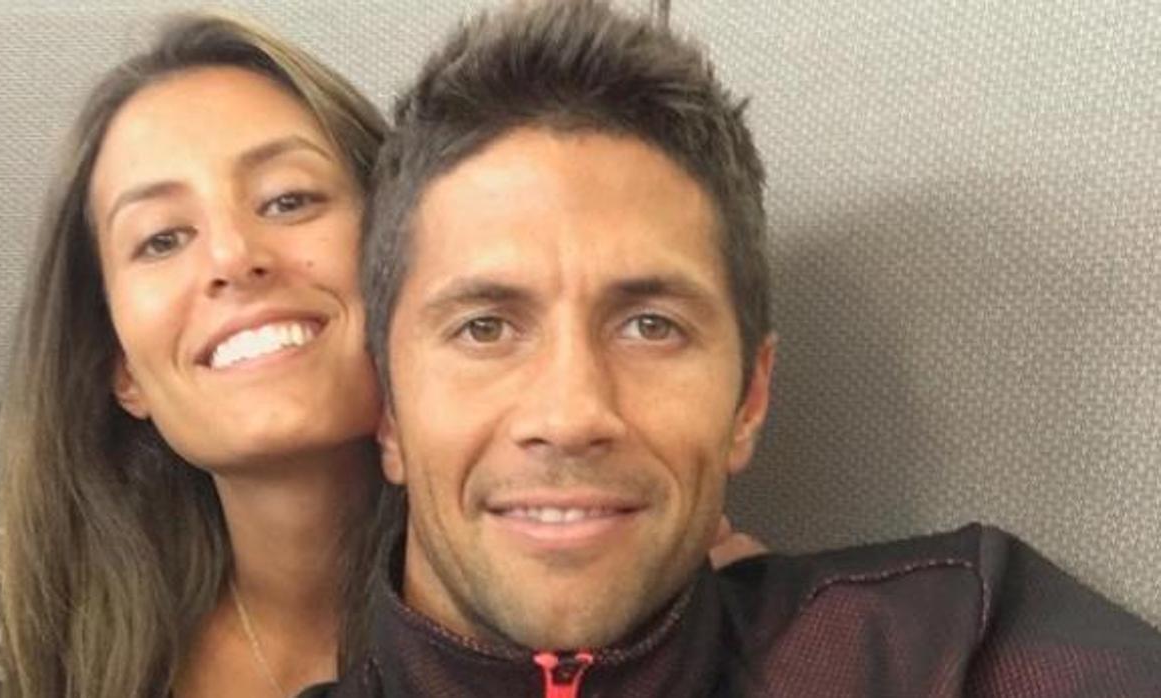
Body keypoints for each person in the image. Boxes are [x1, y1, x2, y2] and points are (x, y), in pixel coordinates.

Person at [332, 0, 1161, 695]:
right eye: (484, 328)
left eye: (651, 325)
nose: (570, 414)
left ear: (750, 399)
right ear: (389, 410)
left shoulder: (953, 650)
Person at [0, 12, 399, 698]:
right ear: (122, 368)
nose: (233, 257)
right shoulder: (26, 607)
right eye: (162, 239)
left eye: (287, 200)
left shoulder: (533, 577)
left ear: (405, 248)